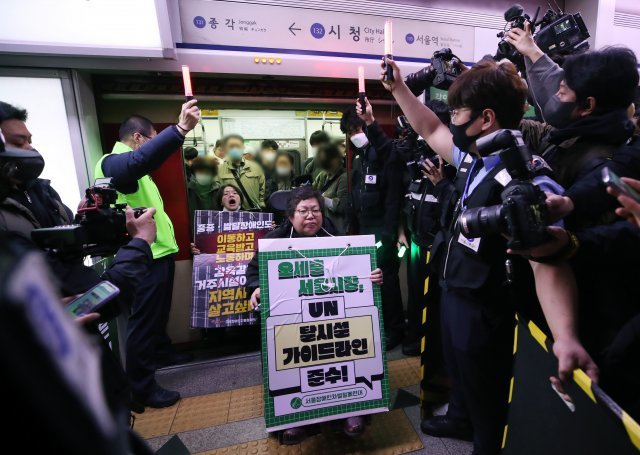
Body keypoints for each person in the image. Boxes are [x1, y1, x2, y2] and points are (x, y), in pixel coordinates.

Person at [381, 57, 597, 454]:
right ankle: (461, 416)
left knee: (485, 383)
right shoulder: (474, 158)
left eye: (458, 110)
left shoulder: (528, 177)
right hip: (454, 288)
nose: (451, 118)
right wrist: (398, 89)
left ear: (486, 118)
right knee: (460, 370)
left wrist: (565, 336)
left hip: (486, 304)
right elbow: (429, 127)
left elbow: (547, 257)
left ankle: (485, 440)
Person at [246, 186, 383, 445]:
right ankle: (295, 420)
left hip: (332, 321)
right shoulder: (275, 241)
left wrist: (372, 276)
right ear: (290, 216)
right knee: (292, 364)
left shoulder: (337, 237)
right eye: (303, 211)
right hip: (294, 324)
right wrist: (255, 288)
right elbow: (253, 272)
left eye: (316, 210)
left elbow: (359, 270)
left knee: (343, 362)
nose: (311, 216)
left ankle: (353, 412)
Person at [94, 100, 200, 409]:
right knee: (143, 321)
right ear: (139, 138)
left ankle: (161, 351)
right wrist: (179, 130)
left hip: (159, 253)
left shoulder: (134, 166)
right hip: (144, 257)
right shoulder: (112, 162)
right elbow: (136, 163)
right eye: (153, 139)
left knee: (158, 315)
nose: (153, 147)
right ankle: (141, 387)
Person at [341, 106, 406, 351]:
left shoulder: (383, 153)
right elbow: (354, 194)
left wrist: (390, 233)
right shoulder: (360, 157)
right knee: (370, 281)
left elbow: (393, 196)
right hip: (364, 230)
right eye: (350, 131)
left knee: (387, 282)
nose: (354, 134)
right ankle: (380, 325)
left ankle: (395, 330)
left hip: (383, 230)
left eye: (357, 128)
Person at [190, 183, 243, 256]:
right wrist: (196, 249)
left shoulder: (253, 219)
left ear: (240, 200)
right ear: (221, 201)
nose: (231, 195)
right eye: (226, 194)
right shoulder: (210, 222)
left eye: (235, 193)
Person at [217, 134, 266, 210]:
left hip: (253, 211)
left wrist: (261, 203)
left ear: (243, 148)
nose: (235, 149)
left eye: (238, 146)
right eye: (231, 147)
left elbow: (263, 188)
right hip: (231, 213)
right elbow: (217, 193)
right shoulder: (219, 169)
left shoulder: (256, 167)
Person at [312, 142, 348, 234]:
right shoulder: (323, 175)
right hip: (322, 226)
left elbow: (342, 207)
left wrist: (322, 199)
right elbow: (313, 189)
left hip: (337, 228)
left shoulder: (344, 177)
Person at [187, 156, 220, 232]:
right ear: (194, 173)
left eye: (207, 172)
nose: (203, 175)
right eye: (200, 172)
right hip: (194, 232)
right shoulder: (187, 191)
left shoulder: (220, 190)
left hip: (215, 232)